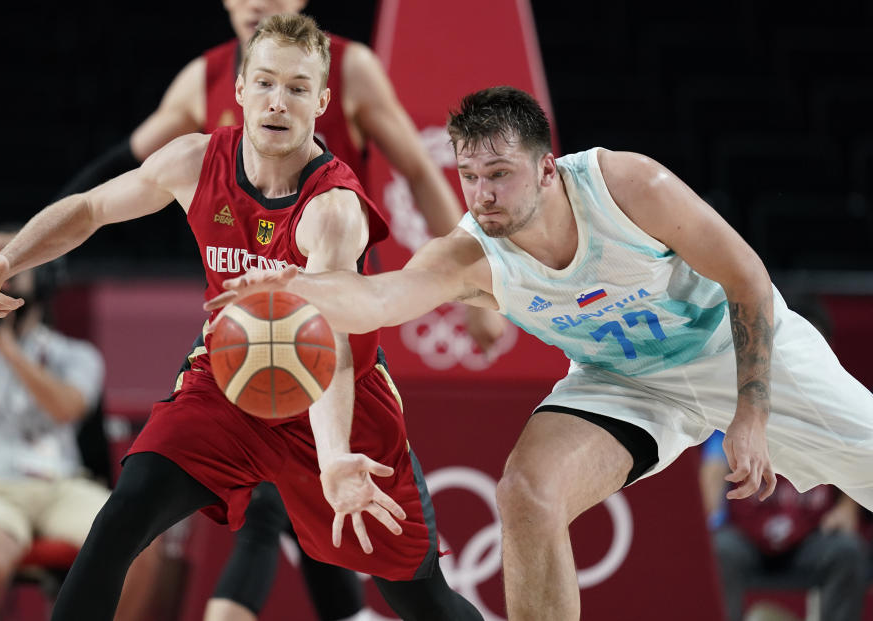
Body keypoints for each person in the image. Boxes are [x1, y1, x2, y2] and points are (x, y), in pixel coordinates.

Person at [205, 85, 873, 620]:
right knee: (525, 493)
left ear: (548, 169)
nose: (483, 195)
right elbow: (380, 299)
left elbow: (748, 279)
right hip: (624, 381)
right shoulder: (473, 252)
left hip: (738, 347)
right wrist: (301, 287)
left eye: (499, 174)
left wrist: (750, 413)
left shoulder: (626, 187)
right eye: (469, 177)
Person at [0, 2, 503, 618]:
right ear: (240, 90)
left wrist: (331, 459)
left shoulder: (332, 209)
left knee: (420, 597)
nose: (278, 102)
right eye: (265, 83)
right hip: (229, 381)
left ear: (321, 102)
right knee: (123, 513)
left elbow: (330, 347)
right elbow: (89, 210)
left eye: (297, 89)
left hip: (334, 404)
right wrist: (12, 254)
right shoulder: (194, 160)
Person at [0, 248, 155, 621]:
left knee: (141, 545)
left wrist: (4, 344)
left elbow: (66, 408)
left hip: (59, 485)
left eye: (10, 276)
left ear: (38, 286)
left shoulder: (72, 354)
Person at [700, 430, 868, 621]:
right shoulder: (736, 426)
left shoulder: (823, 423)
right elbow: (710, 484)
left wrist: (847, 507)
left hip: (808, 537)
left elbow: (855, 456)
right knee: (719, 548)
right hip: (748, 537)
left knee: (847, 551)